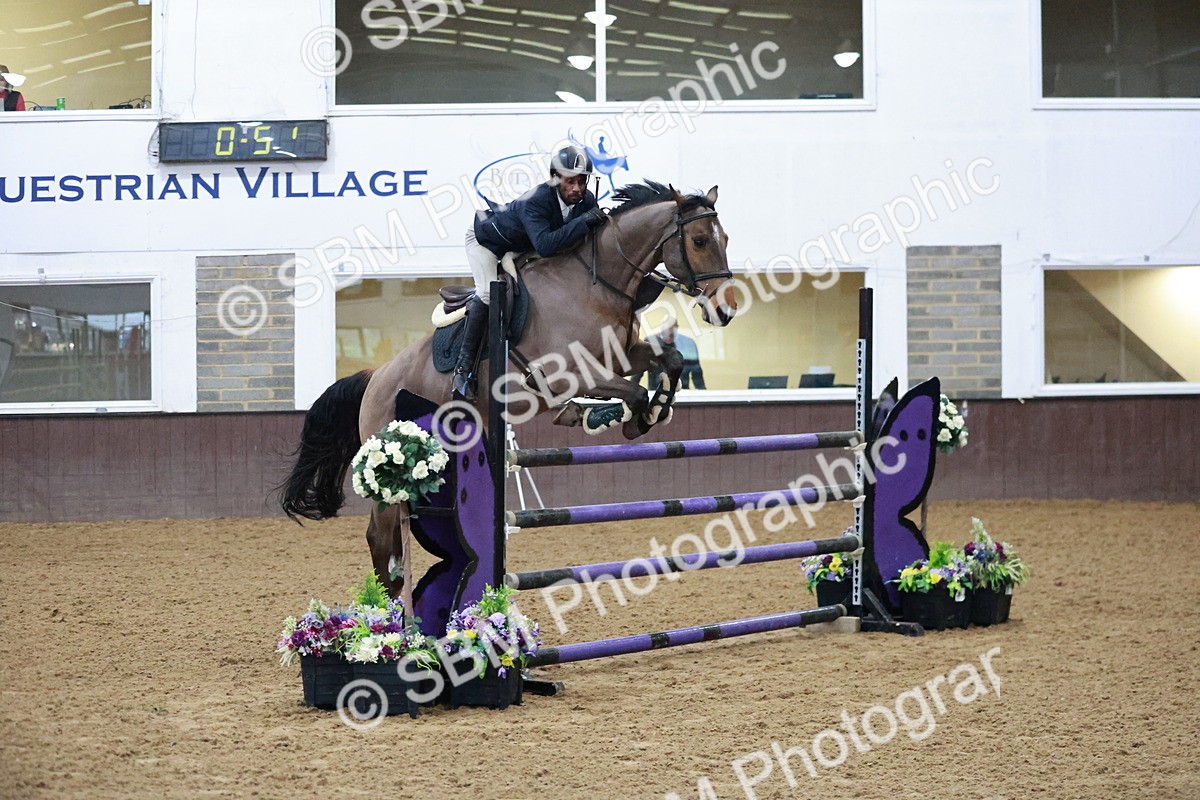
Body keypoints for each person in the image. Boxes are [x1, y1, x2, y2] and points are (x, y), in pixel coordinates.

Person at [454, 144, 607, 400]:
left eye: (582, 181)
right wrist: (583, 222)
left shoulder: (586, 201)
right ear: (555, 178)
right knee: (489, 293)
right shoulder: (537, 200)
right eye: (571, 181)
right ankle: (463, 370)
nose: (577, 188)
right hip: (487, 244)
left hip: (520, 247)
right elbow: (546, 246)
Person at [645, 318, 706, 390]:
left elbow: (696, 372)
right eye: (665, 333)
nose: (668, 337)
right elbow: (639, 370)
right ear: (661, 329)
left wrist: (702, 392)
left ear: (676, 329)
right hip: (656, 391)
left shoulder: (687, 343)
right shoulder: (651, 341)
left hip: (682, 391)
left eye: (671, 334)